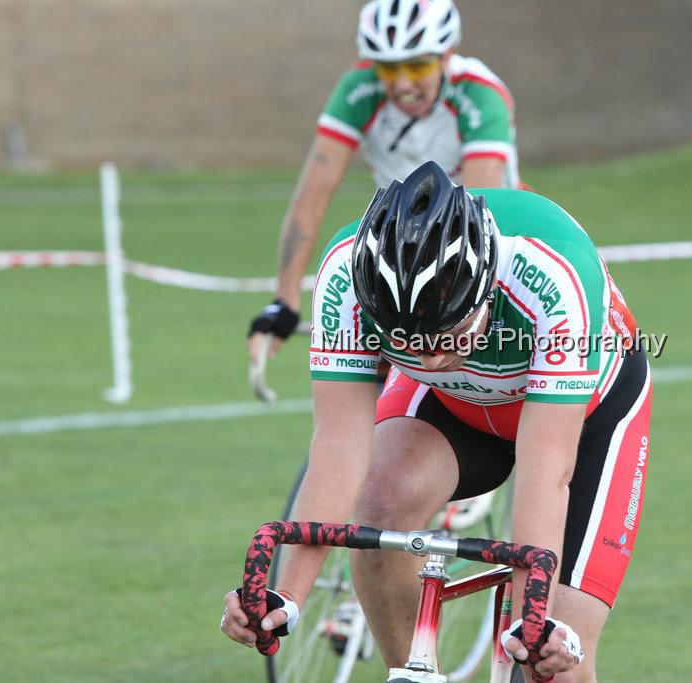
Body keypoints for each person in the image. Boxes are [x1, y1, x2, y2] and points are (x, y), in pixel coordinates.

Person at [223, 162, 653, 682]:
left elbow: (547, 469)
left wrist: (532, 619)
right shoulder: (343, 274)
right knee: (380, 500)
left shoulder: (552, 276)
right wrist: (284, 595)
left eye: (448, 334)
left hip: (588, 419)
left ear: (487, 292)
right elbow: (339, 447)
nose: (427, 360)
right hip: (454, 408)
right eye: (404, 342)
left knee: (552, 666)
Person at [248, 0, 521, 361]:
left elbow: (473, 210)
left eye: (417, 65)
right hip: (401, 243)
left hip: (492, 239)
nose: (404, 84)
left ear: (447, 55)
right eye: (389, 69)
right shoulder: (358, 91)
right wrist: (285, 300)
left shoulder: (479, 94)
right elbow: (312, 195)